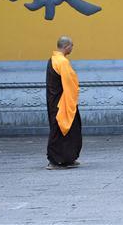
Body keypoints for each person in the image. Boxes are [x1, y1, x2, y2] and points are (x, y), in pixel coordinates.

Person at [46, 36, 82, 169]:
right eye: (72, 46)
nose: (72, 48)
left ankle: (68, 158)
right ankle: (55, 161)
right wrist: (72, 100)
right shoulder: (62, 62)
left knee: (70, 130)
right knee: (59, 130)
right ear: (67, 46)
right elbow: (69, 84)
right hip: (63, 102)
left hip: (55, 100)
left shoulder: (53, 59)